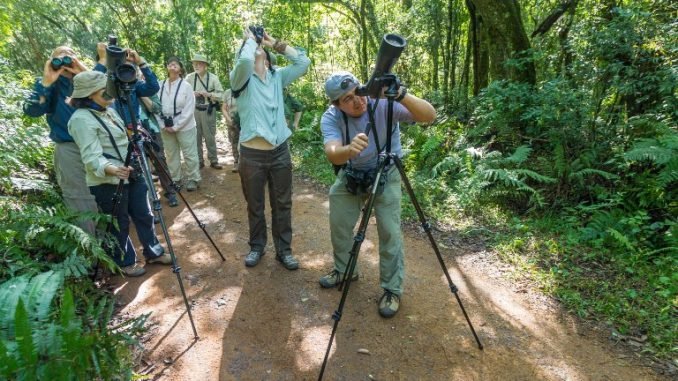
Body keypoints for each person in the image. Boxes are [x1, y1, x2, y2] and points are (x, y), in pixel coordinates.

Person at [319, 71, 436, 318]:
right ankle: (344, 270)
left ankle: (392, 289)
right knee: (338, 221)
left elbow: (429, 116)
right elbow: (331, 152)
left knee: (389, 231)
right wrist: (348, 150)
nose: (357, 101)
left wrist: (401, 95)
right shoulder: (331, 117)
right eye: (347, 99)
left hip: (387, 172)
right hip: (352, 173)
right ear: (337, 105)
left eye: (358, 93)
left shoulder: (382, 104)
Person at [67, 71, 172, 276]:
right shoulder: (81, 119)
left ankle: (153, 251)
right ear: (89, 96)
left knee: (144, 213)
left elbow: (123, 137)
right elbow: (91, 157)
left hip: (131, 171)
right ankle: (124, 261)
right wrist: (114, 170)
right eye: (104, 93)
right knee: (119, 221)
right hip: (107, 180)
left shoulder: (109, 110)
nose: (110, 95)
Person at [230, 26, 311, 270]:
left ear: (267, 58)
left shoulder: (278, 77)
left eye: (261, 51)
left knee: (283, 203)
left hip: (280, 151)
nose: (257, 52)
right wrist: (248, 41)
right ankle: (257, 247)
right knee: (255, 204)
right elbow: (244, 61)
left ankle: (284, 250)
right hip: (252, 154)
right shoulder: (240, 79)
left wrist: (272, 41)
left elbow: (303, 62)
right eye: (255, 50)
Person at [23, 46, 99, 235]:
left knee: (107, 193)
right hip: (69, 148)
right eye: (58, 58)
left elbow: (109, 97)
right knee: (78, 199)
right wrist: (46, 83)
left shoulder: (87, 79)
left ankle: (117, 249)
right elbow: (31, 110)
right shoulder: (47, 85)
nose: (64, 61)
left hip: (98, 144)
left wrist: (82, 71)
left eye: (69, 56)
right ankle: (94, 251)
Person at [158, 57, 201, 192]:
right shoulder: (160, 85)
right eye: (170, 63)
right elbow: (155, 106)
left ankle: (193, 178)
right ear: (167, 67)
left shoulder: (186, 86)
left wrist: (176, 126)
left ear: (180, 69)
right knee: (171, 154)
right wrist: (161, 124)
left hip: (185, 125)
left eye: (175, 64)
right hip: (165, 125)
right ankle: (175, 179)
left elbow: (189, 109)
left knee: (189, 152)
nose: (172, 65)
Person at [186, 54, 225, 170]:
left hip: (208, 110)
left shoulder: (213, 78)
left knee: (210, 137)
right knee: (196, 137)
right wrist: (192, 94)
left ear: (205, 65)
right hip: (194, 111)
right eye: (194, 63)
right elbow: (182, 93)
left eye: (199, 63)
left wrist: (209, 94)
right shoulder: (189, 78)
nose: (196, 65)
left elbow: (221, 95)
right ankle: (199, 161)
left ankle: (214, 160)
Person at [222, 88, 240, 172]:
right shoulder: (228, 92)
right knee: (234, 142)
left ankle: (245, 162)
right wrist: (229, 119)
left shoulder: (246, 89)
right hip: (232, 121)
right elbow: (224, 108)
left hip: (245, 120)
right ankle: (236, 162)